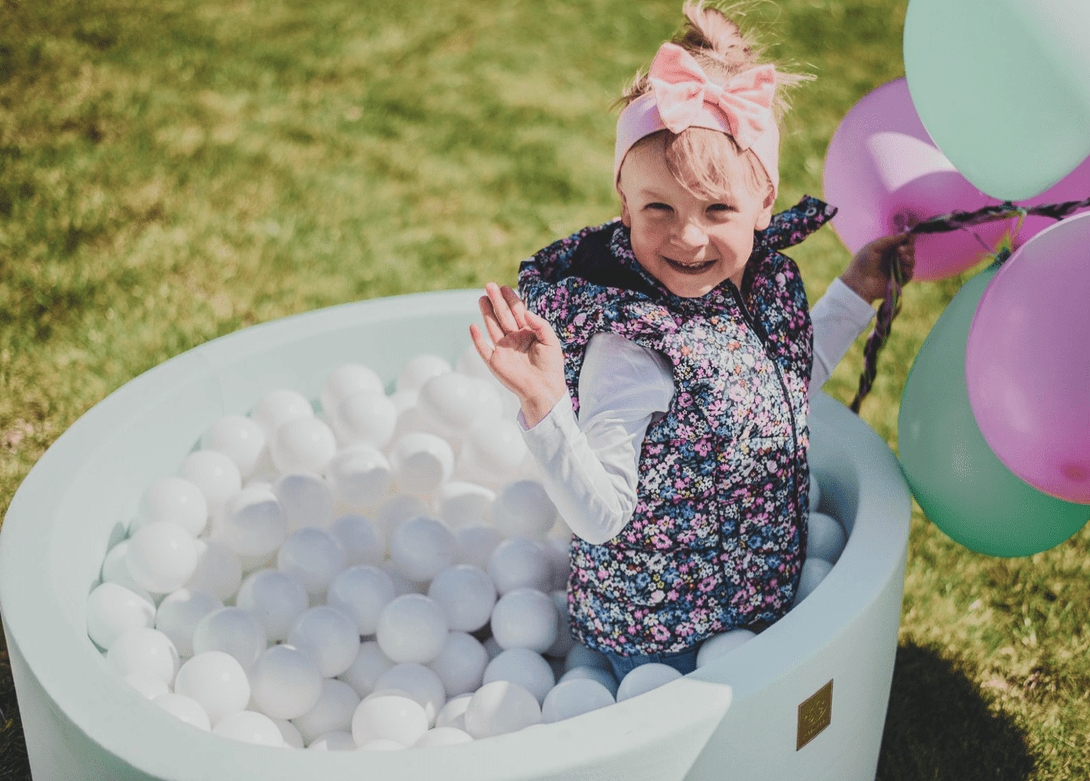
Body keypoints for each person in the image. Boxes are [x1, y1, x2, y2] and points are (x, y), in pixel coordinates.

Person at [469, 0, 914, 680]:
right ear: (623, 203)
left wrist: (854, 290)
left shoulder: (750, 289)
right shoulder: (633, 345)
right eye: (660, 209)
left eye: (718, 209)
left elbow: (782, 380)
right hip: (661, 634)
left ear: (764, 204)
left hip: (753, 595)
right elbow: (600, 515)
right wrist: (547, 405)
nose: (689, 236)